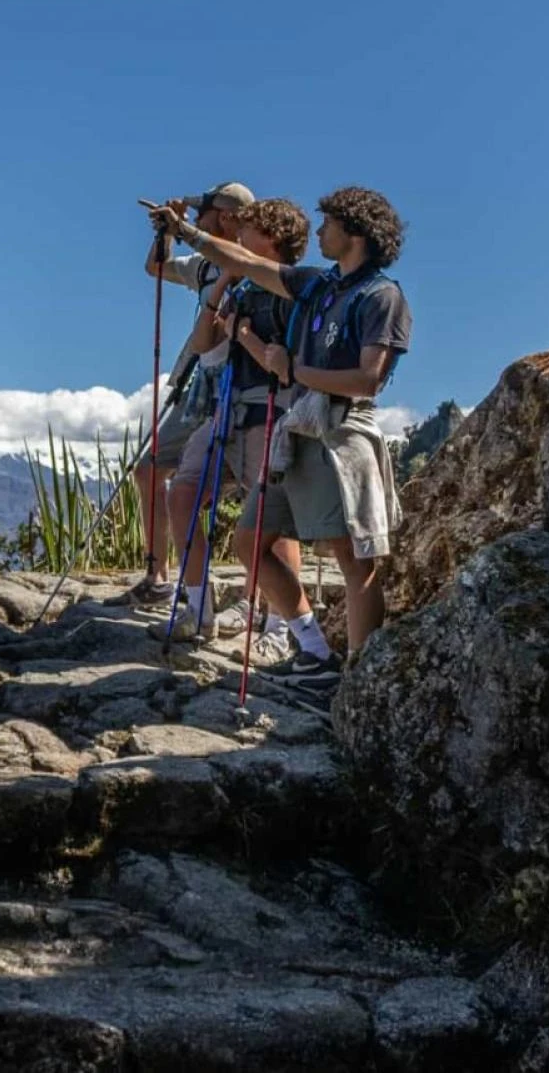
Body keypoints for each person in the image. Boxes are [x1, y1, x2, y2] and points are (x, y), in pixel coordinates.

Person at [148, 186, 412, 715]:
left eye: (329, 223)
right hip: (300, 428)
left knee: (355, 560)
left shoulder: (381, 296)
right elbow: (243, 260)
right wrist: (189, 234)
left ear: (354, 232)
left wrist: (292, 369)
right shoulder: (319, 285)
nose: (320, 233)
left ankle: (357, 679)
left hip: (341, 432)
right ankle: (314, 652)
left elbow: (368, 379)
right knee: (250, 541)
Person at [145, 197, 309, 650]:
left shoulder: (293, 292)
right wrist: (221, 290)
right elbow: (203, 345)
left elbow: (284, 364)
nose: (238, 237)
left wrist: (244, 333)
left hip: (268, 414)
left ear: (272, 240)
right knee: (182, 492)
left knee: (271, 523)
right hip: (227, 412)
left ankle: (280, 629)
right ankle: (198, 610)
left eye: (249, 231)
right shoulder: (238, 289)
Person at [125, 181, 253, 607]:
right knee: (148, 469)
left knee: (250, 488)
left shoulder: (255, 265)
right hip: (201, 383)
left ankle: (253, 601)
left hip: (240, 388)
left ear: (230, 217)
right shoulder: (202, 267)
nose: (197, 216)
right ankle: (159, 574)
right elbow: (156, 269)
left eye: (207, 209)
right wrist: (164, 232)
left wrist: (180, 227)